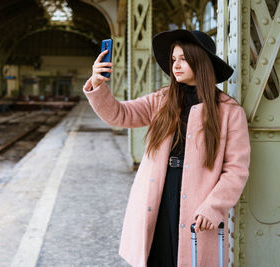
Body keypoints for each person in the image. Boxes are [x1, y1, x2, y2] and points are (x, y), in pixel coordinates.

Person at [83, 29, 250, 267]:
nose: (176, 65)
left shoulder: (229, 112)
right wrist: (98, 84)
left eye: (183, 59)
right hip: (158, 193)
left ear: (201, 61)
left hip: (198, 200)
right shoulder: (161, 100)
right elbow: (120, 114)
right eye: (173, 59)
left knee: (186, 258)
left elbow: (236, 170)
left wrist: (214, 207)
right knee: (157, 255)